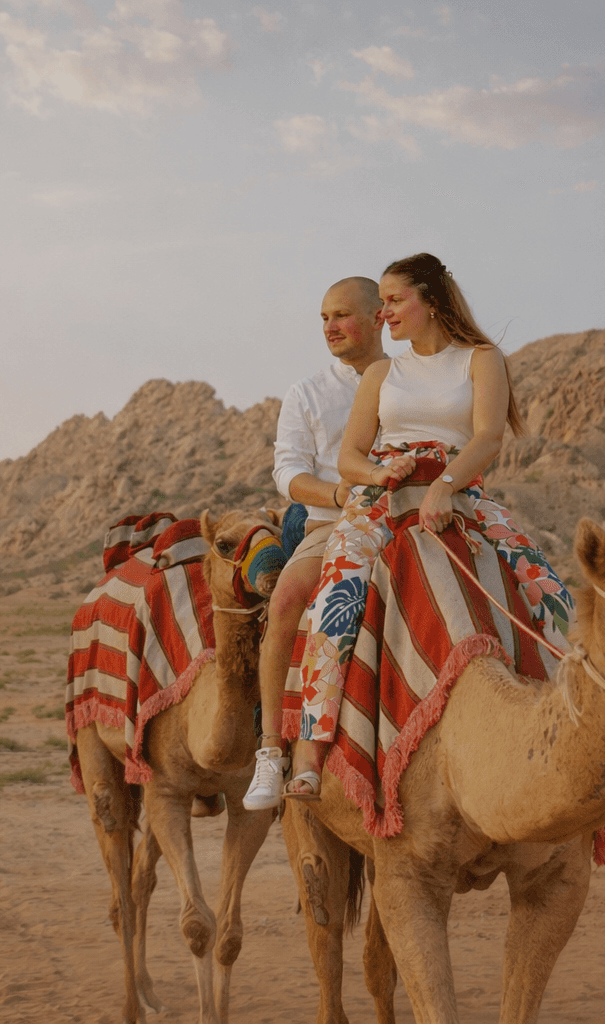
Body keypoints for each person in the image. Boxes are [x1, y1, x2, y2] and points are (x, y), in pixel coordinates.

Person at [283, 253, 573, 799]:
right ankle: (308, 750)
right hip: (381, 495)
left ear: (430, 301)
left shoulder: (480, 360)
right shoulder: (382, 373)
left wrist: (446, 485)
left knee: (548, 590)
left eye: (394, 301)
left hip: (458, 487)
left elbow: (487, 437)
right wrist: (377, 471)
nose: (384, 314)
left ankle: (564, 729)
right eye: (383, 303)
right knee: (337, 592)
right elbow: (349, 455)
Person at [241, 277, 384, 811]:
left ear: (377, 318)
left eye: (342, 315)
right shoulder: (308, 393)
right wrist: (338, 493)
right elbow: (288, 472)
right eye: (324, 317)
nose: (330, 327)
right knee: (284, 601)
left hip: (403, 520)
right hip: (330, 523)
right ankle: (271, 750)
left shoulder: (408, 381)